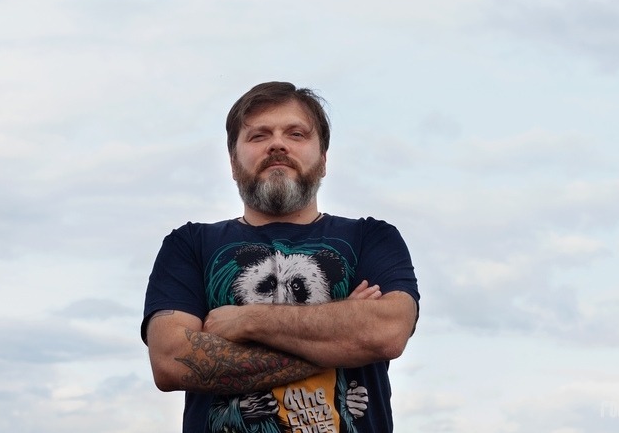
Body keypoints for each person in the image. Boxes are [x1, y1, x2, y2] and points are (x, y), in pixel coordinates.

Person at [141, 81, 420, 433]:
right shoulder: (189, 244)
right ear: (233, 163)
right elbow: (171, 360)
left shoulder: (372, 238)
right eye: (258, 135)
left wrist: (248, 321)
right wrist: (342, 342)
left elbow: (387, 332)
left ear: (323, 160)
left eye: (296, 134)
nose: (277, 144)